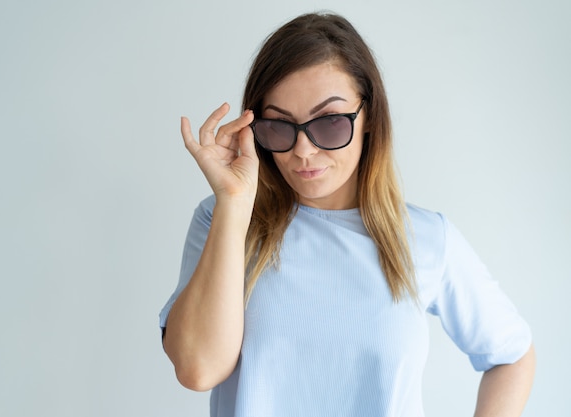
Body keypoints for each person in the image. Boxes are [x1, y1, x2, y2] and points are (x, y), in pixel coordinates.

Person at [159, 12, 535, 417]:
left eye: (330, 123)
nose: (303, 151)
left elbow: (512, 356)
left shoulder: (426, 238)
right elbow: (197, 370)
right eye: (279, 127)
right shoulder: (223, 219)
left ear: (368, 116)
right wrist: (233, 203)